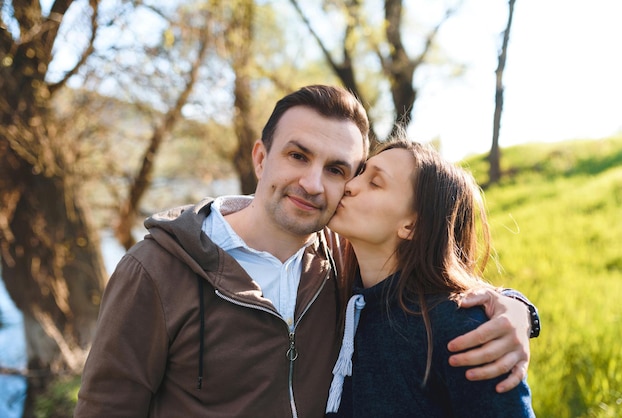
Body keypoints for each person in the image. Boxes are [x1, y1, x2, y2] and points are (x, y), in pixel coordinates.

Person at [74, 85, 539, 417]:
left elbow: (435, 280)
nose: (314, 184)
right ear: (261, 158)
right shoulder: (155, 270)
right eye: (298, 156)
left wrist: (515, 310)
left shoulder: (344, 260)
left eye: (339, 169)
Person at [324, 138, 535, 417]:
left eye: (375, 183)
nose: (350, 186)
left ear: (411, 224)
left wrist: (519, 310)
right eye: (361, 173)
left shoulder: (464, 328)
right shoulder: (332, 294)